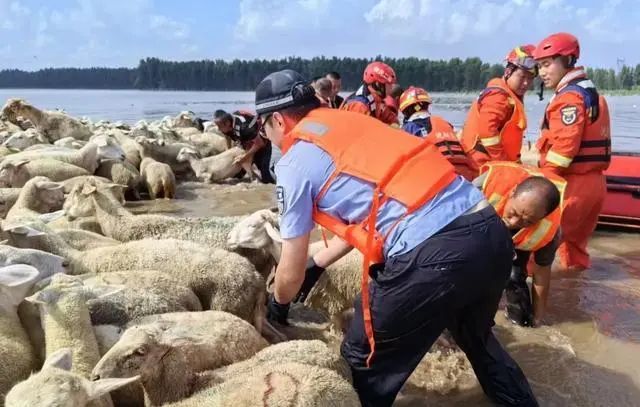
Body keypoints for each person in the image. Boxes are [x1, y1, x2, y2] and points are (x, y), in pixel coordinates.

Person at [256, 69, 538, 407]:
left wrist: (278, 306)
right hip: (488, 233)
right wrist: (318, 262)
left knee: (362, 358)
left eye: (263, 125)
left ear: (276, 120)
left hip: (435, 252)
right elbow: (372, 216)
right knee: (477, 342)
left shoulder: (294, 162)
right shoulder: (354, 124)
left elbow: (290, 270)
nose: (265, 133)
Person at [533, 32, 611, 274]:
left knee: (536, 246)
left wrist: (540, 186)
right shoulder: (590, 93)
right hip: (595, 185)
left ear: (567, 60)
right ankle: (573, 294)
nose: (542, 73)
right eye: (538, 66)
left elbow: (564, 151)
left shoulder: (568, 99)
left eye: (547, 64)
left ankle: (523, 308)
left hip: (571, 187)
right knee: (575, 250)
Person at [473, 161, 565, 326]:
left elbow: (541, 274)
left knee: (514, 277)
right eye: (513, 213)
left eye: (527, 220)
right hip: (483, 222)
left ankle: (521, 321)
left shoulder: (549, 231)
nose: (514, 222)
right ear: (513, 192)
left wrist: (538, 318)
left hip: (519, 241)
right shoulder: (484, 185)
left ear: (540, 219)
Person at [460, 45, 537, 170]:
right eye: (522, 77)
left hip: (494, 163)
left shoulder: (509, 95)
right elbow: (487, 132)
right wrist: (503, 163)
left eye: (530, 78)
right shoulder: (498, 96)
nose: (526, 83)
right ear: (508, 72)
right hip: (482, 166)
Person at [399, 86, 476, 180]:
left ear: (406, 111)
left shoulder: (409, 128)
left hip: (437, 176)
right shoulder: (444, 123)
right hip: (465, 174)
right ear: (427, 106)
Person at [212, 109, 275, 184]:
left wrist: (245, 157)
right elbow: (227, 137)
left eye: (219, 126)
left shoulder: (244, 127)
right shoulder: (227, 126)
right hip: (247, 142)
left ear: (227, 123)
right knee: (237, 175)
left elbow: (260, 143)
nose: (218, 129)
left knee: (265, 175)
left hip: (262, 144)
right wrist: (228, 152)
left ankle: (273, 185)